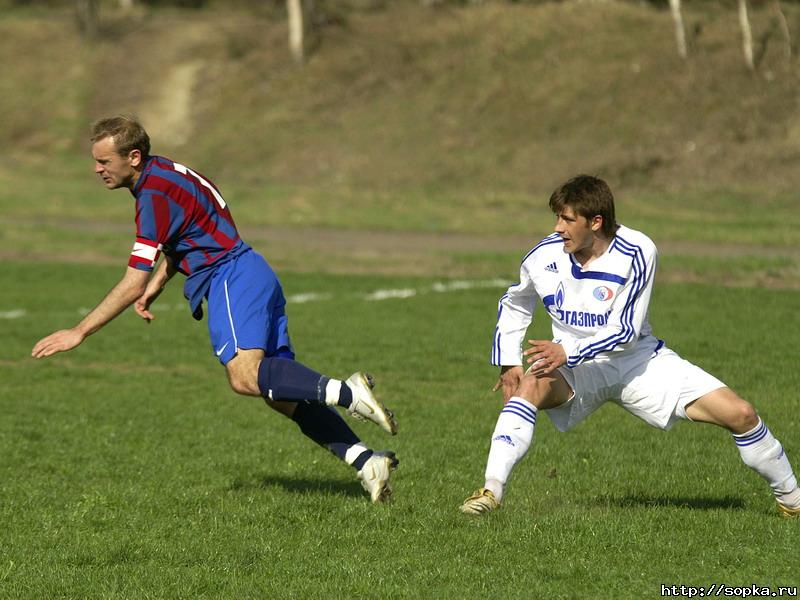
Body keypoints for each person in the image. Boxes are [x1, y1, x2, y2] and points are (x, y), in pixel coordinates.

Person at [31, 116, 399, 503]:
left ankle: (347, 391)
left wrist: (80, 331)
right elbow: (183, 237)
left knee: (244, 377)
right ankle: (366, 462)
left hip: (230, 277)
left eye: (104, 161)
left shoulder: (153, 194)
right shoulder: (164, 174)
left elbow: (132, 278)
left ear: (133, 157)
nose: (97, 169)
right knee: (280, 391)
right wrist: (155, 288)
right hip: (253, 273)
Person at [460, 175, 799, 517]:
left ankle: (792, 500)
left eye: (567, 219)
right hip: (577, 369)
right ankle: (491, 491)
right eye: (557, 217)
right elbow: (516, 302)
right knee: (530, 385)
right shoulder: (544, 255)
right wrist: (508, 362)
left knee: (741, 414)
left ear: (596, 222)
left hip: (637, 362)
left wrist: (566, 351)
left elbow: (625, 331)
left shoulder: (637, 250)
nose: (557, 227)